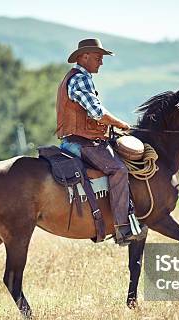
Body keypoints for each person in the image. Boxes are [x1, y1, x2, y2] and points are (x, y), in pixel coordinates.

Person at [56, 38, 146, 245]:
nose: (101, 63)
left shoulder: (74, 77)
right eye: (98, 58)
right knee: (119, 170)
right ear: (84, 56)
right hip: (81, 143)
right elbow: (97, 113)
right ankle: (123, 229)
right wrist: (121, 124)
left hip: (75, 140)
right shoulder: (81, 78)